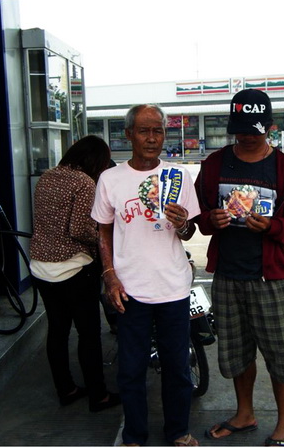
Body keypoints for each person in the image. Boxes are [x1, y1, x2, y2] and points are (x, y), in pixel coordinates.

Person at [194, 89, 284, 447]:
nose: (246, 136)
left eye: (254, 130)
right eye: (240, 129)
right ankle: (244, 413)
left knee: (280, 355)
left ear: (269, 127)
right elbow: (199, 215)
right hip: (227, 276)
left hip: (269, 279)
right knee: (236, 352)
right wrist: (211, 220)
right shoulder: (214, 165)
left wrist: (273, 227)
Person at [91, 104, 201, 447]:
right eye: (144, 131)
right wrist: (110, 275)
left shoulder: (179, 176)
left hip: (173, 286)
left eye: (158, 131)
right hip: (130, 290)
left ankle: (178, 431)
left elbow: (189, 232)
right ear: (128, 135)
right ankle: (134, 435)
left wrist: (182, 224)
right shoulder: (111, 179)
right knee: (131, 369)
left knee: (177, 367)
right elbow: (102, 230)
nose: (152, 138)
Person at [29, 135, 121, 412]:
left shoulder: (47, 176)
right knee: (88, 334)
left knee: (57, 330)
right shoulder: (84, 182)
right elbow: (79, 230)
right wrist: (106, 239)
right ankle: (98, 395)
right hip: (73, 269)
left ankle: (66, 389)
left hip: (41, 267)